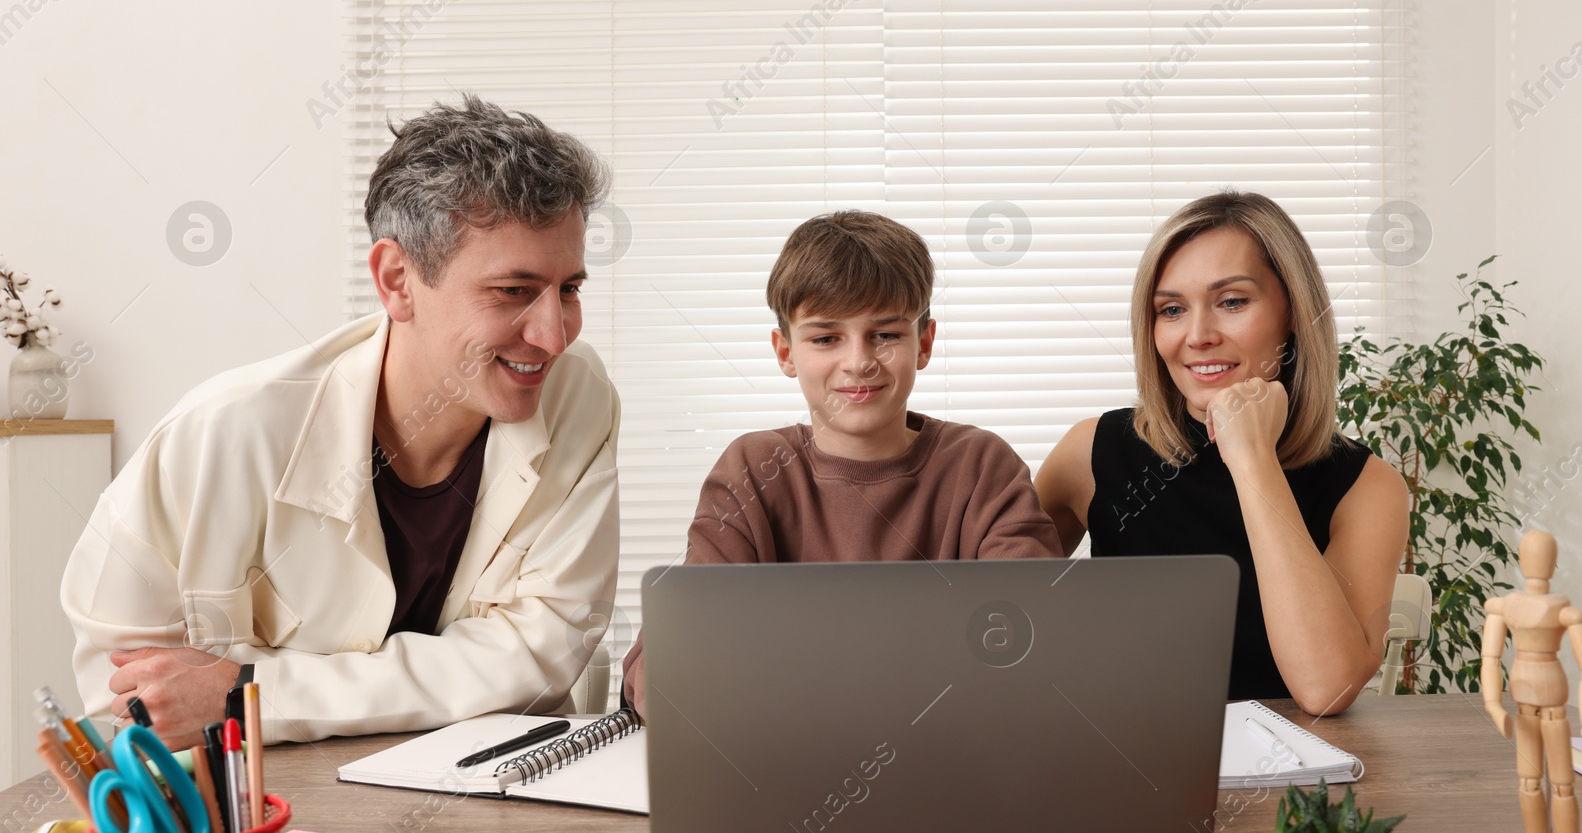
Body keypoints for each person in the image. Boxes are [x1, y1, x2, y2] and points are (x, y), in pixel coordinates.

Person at [62, 95, 622, 747]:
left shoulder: (577, 396)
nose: (554, 335)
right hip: (261, 818)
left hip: (474, 809)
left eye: (570, 289)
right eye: (514, 291)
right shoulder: (218, 436)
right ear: (397, 279)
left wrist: (247, 693)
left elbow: (544, 652)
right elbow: (131, 702)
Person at [620, 210, 1063, 718]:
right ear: (785, 352)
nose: (859, 361)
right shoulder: (752, 471)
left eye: (885, 334)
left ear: (924, 343)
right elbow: (671, 665)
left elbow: (1030, 643)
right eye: (826, 338)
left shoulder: (982, 467)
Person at [1035, 191, 1408, 715]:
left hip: (1290, 784)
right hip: (1128, 770)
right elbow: (993, 624)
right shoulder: (1091, 454)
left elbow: (1328, 689)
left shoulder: (1367, 487)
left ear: (1295, 312)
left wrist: (1252, 458)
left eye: (1232, 302)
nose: (1197, 336)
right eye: (1171, 310)